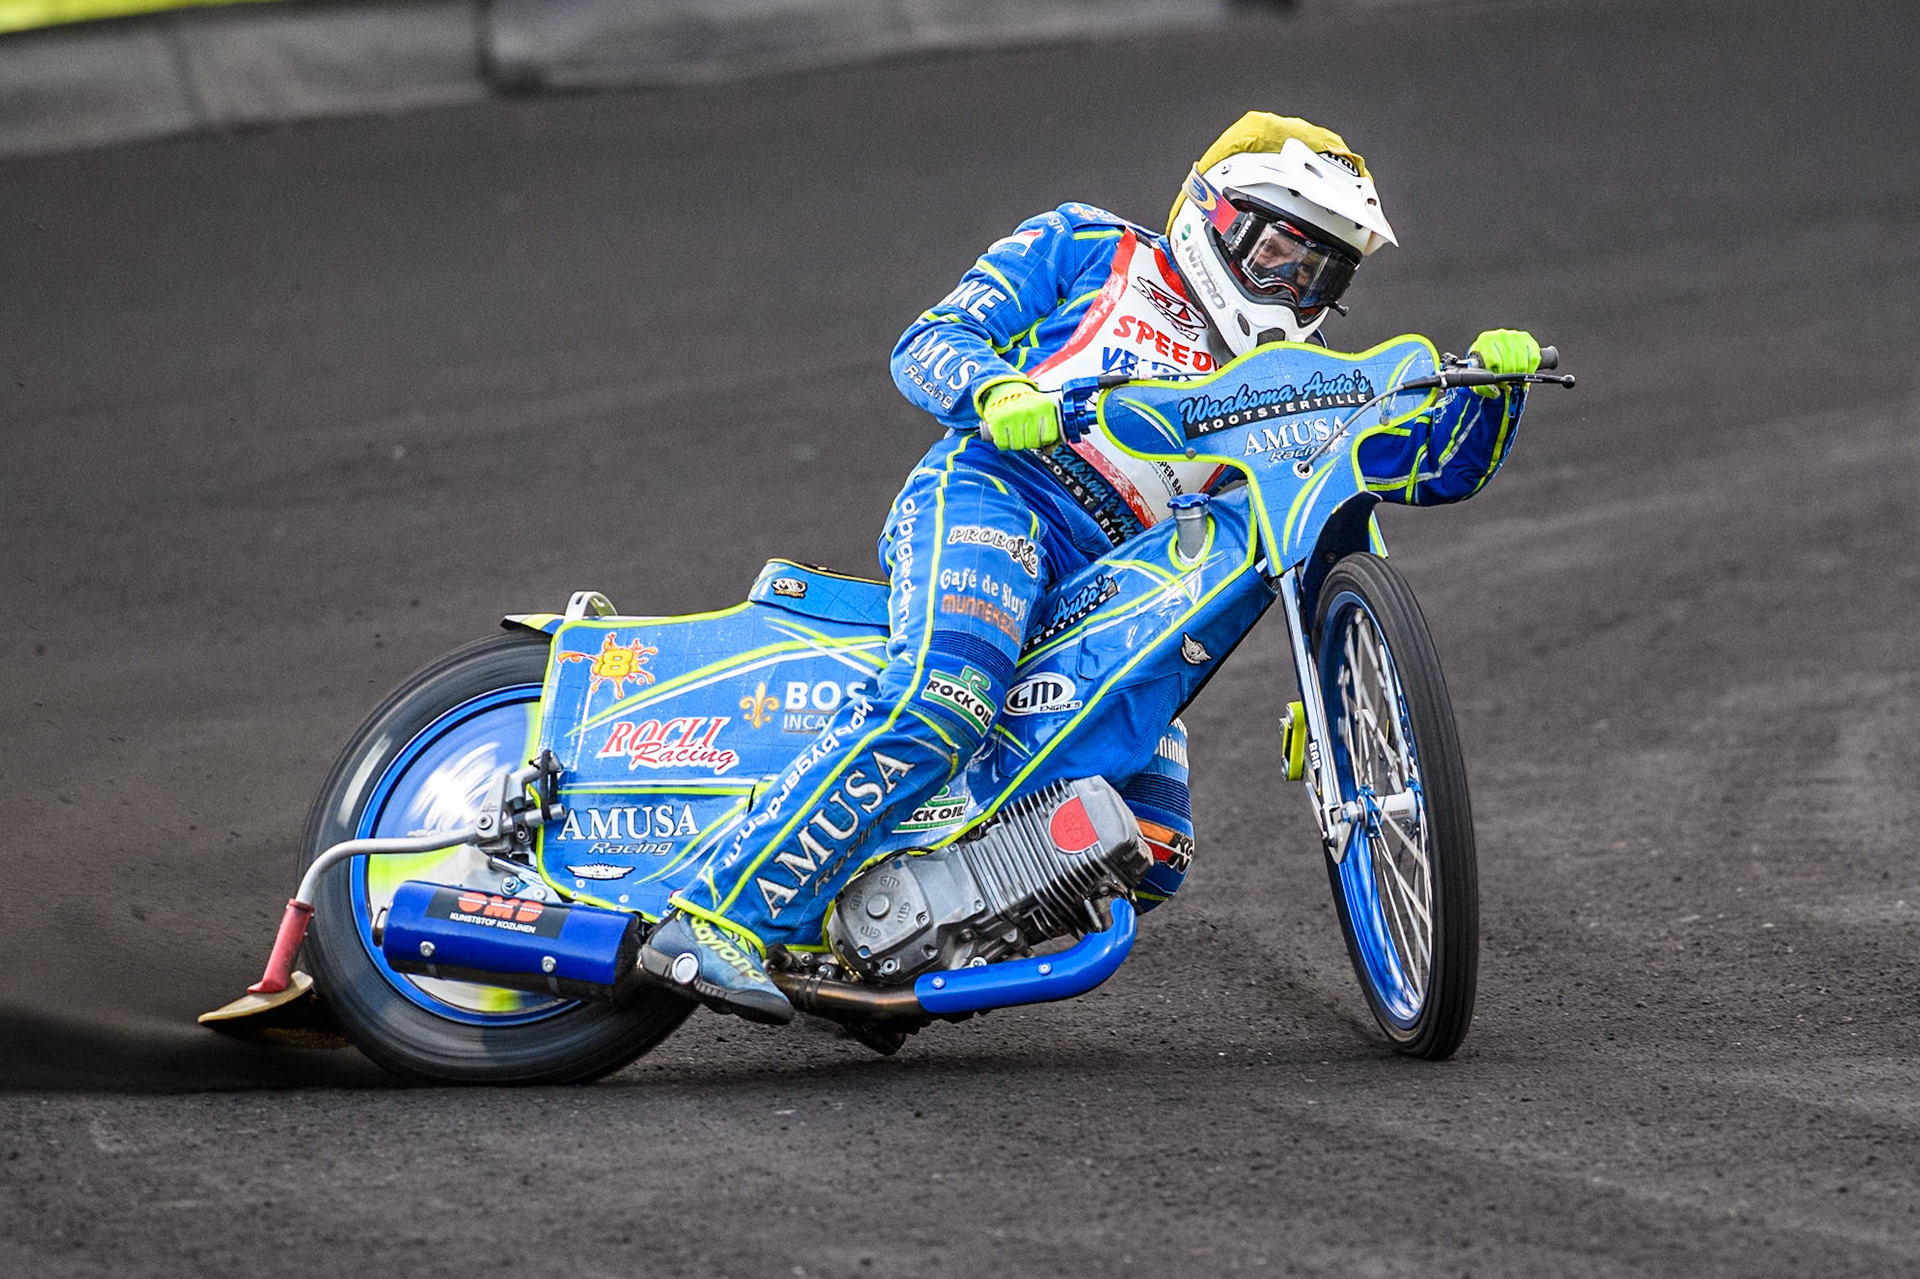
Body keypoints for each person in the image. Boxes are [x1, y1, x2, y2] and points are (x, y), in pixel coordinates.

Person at [638, 112, 1541, 1023]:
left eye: (1321, 274)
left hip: (1118, 586)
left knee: (1149, 840)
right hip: (1000, 495)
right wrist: (998, 391)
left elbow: (1416, 468)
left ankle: (888, 943)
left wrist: (1492, 398)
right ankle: (719, 916)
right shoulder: (1087, 244)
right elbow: (929, 341)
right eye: (1281, 254)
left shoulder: (1289, 384)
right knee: (942, 700)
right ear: (1215, 216)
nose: (1295, 287)